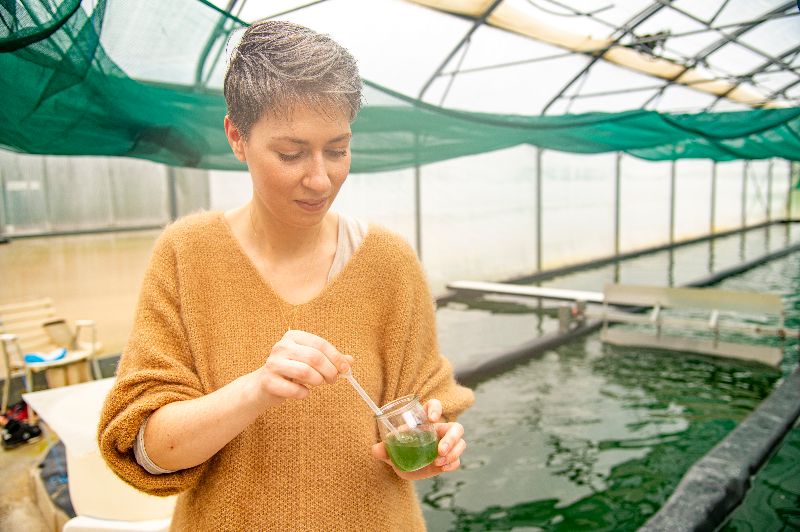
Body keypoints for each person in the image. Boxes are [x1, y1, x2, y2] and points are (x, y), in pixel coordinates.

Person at [97, 19, 474, 531]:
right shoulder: (187, 256)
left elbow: (427, 411)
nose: (320, 178)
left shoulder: (389, 263)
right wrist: (257, 389)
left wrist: (434, 443)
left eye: (337, 150)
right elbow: (145, 451)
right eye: (291, 153)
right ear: (237, 137)